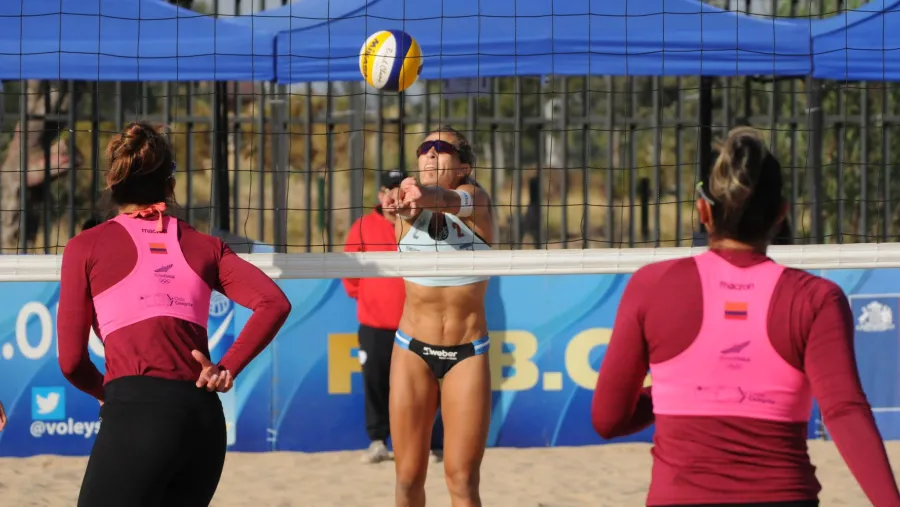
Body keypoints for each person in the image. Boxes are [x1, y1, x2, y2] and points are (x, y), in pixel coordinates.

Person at [591, 127, 900, 507]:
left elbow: (608, 420)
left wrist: (684, 390)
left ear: (704, 210)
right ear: (781, 214)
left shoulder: (651, 287)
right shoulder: (815, 299)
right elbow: (844, 411)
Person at [57, 122, 292, 507]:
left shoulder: (85, 247)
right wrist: (226, 367)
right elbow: (275, 302)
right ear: (171, 185)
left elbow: (70, 363)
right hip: (202, 418)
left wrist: (111, 394)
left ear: (113, 184)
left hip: (137, 411)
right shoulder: (205, 245)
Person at [380, 126, 494, 507]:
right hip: (412, 350)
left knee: (461, 479)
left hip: (467, 352)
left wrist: (423, 194)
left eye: (441, 148)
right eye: (424, 147)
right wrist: (403, 199)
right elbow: (410, 200)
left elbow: (447, 200)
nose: (429, 154)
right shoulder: (404, 209)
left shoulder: (476, 200)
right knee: (408, 478)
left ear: (463, 165)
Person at [342, 169, 444, 465]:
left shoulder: (421, 224)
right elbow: (350, 271)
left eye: (399, 189)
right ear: (379, 195)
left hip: (417, 324)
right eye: (387, 189)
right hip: (375, 324)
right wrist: (370, 296)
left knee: (420, 386)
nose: (392, 196)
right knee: (375, 384)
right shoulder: (363, 226)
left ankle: (419, 442)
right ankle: (377, 441)